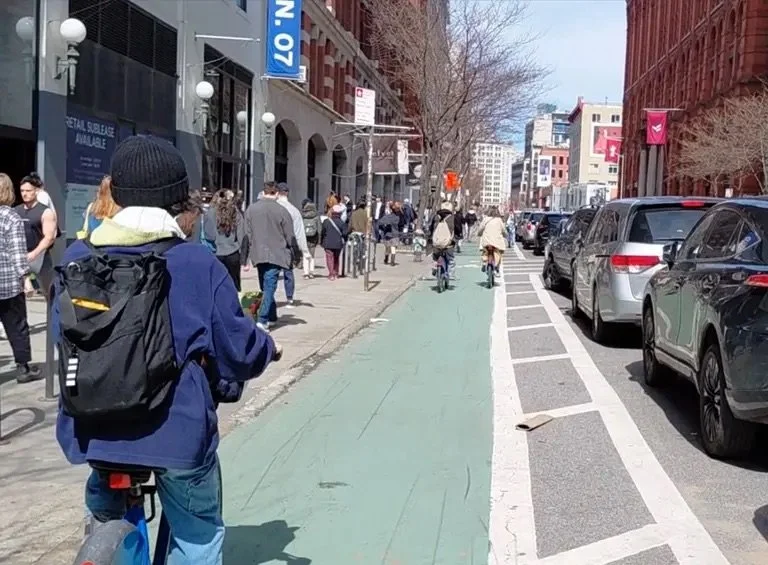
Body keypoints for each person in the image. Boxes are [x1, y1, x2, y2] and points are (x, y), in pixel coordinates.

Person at [52, 136, 281, 564]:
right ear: (178, 200)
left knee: (104, 511)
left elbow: (60, 336)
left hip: (93, 431)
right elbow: (238, 351)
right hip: (176, 433)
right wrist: (267, 348)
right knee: (198, 531)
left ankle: (104, 534)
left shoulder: (77, 258)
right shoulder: (196, 263)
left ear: (114, 193)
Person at [0, 173, 41, 382]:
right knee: (17, 325)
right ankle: (23, 368)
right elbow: (17, 252)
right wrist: (26, 278)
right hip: (7, 284)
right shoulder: (11, 216)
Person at [244, 182, 296, 332]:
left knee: (265, 286)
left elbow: (247, 234)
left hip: (258, 253)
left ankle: (271, 316)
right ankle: (263, 319)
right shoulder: (282, 211)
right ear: (277, 194)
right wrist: (294, 252)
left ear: (263, 192)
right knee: (269, 287)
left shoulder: (251, 209)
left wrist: (246, 257)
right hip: (277, 253)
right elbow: (290, 235)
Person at [16, 173, 58, 299]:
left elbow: (49, 237)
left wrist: (35, 253)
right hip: (21, 257)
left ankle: (52, 318)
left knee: (50, 293)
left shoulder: (45, 211)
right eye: (22, 191)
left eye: (28, 190)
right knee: (17, 295)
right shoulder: (16, 211)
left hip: (41, 258)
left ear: (36, 191)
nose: (25, 194)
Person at [276, 183, 309, 308]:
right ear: (287, 193)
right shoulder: (294, 210)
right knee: (288, 272)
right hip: (287, 245)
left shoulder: (272, 208)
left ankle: (269, 297)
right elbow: (299, 232)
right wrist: (304, 250)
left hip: (272, 245)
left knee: (271, 273)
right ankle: (289, 298)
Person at [208, 189, 246, 291]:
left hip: (216, 253)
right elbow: (242, 235)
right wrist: (244, 258)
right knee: (234, 285)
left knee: (216, 285)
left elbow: (208, 235)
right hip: (233, 253)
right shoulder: (236, 213)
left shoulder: (210, 213)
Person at [430, 201, 456, 278]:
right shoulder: (452, 218)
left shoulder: (436, 217)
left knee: (435, 256)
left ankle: (434, 265)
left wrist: (430, 237)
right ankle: (450, 275)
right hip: (448, 243)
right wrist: (457, 236)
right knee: (450, 259)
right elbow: (458, 229)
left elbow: (430, 228)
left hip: (436, 242)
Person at [321, 204, 347, 280]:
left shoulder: (326, 221)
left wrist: (322, 241)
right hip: (338, 243)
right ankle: (336, 273)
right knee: (336, 258)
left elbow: (323, 232)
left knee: (329, 257)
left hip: (328, 243)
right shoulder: (342, 223)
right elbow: (345, 233)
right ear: (340, 213)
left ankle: (331, 274)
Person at [478, 207, 507, 274]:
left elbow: (480, 229)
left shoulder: (485, 219)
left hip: (487, 241)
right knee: (499, 253)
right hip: (497, 242)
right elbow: (504, 231)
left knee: (485, 251)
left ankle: (484, 262)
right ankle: (497, 268)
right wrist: (505, 235)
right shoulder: (499, 220)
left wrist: (479, 234)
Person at [301, 200, 322, 279]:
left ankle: (306, 272)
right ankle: (311, 272)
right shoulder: (316, 216)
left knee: (305, 254)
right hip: (314, 238)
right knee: (312, 255)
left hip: (304, 237)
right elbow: (319, 228)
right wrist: (320, 239)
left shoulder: (303, 216)